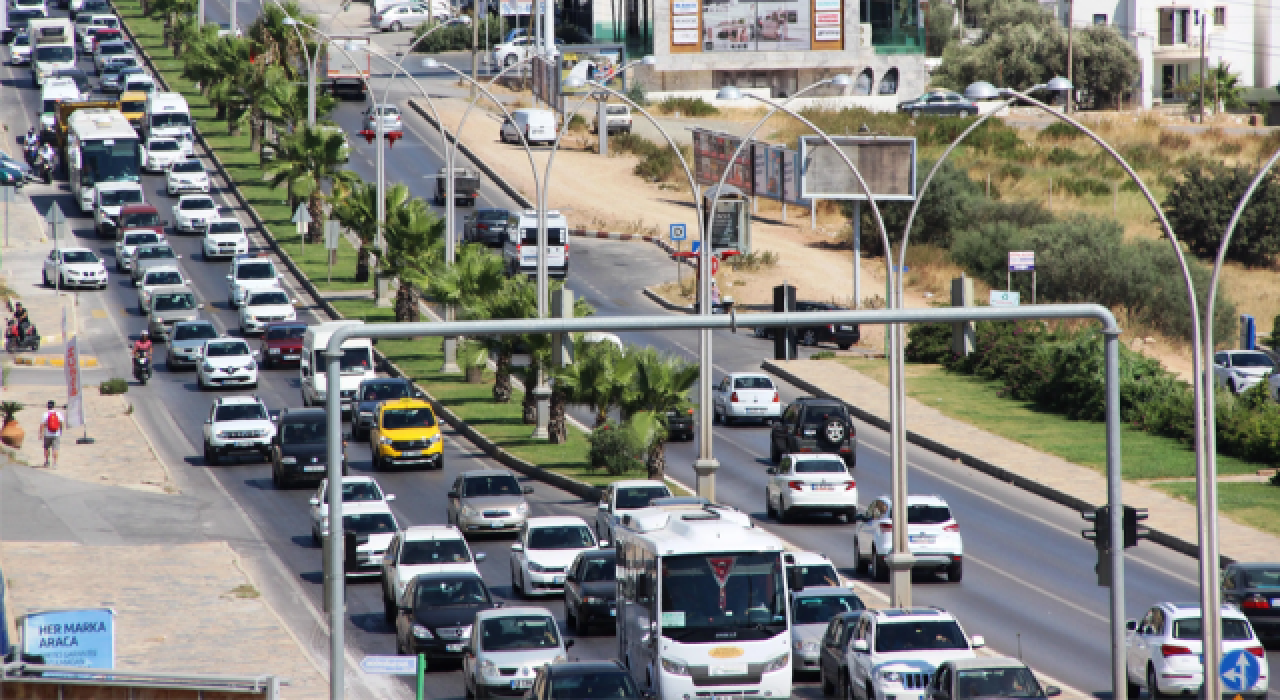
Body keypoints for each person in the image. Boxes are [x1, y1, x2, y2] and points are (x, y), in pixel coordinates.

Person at [39, 400, 63, 468]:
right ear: (54, 406)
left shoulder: (45, 414)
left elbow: (42, 425)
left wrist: (41, 433)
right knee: (55, 448)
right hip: (56, 434)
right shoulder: (58, 414)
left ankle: (47, 462)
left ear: (47, 406)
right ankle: (55, 463)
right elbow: (61, 423)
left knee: (46, 448)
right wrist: (60, 431)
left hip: (47, 434)